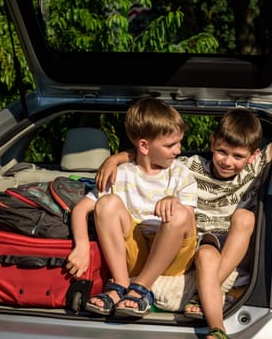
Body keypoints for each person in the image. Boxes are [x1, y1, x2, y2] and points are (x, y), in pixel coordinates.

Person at [96, 108, 272, 338]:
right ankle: (215, 324)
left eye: (237, 156)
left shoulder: (253, 167)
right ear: (212, 143)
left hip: (236, 241)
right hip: (201, 238)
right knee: (206, 256)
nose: (228, 162)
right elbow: (152, 152)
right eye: (222, 152)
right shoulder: (191, 166)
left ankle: (203, 296)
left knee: (245, 216)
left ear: (253, 155)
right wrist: (115, 159)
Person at [65, 97, 198, 318]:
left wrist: (174, 203)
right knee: (106, 203)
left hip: (173, 256)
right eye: (170, 145)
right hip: (136, 253)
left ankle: (140, 288)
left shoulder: (181, 173)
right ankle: (120, 284)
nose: (178, 150)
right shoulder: (120, 174)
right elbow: (80, 210)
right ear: (144, 146)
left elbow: (188, 222)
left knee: (180, 213)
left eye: (178, 142)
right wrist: (80, 246)